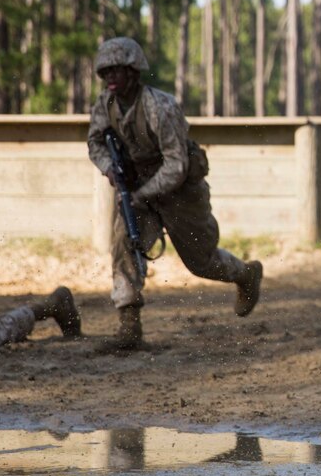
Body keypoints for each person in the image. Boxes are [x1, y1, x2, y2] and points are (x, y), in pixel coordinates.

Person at [86, 37, 263, 348]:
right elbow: (95, 143)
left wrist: (142, 194)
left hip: (181, 191)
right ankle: (129, 326)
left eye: (117, 70)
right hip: (138, 189)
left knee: (202, 261)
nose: (110, 77)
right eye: (105, 72)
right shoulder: (105, 106)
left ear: (134, 71)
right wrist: (110, 169)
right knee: (124, 244)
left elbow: (176, 166)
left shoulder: (161, 106)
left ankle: (245, 274)